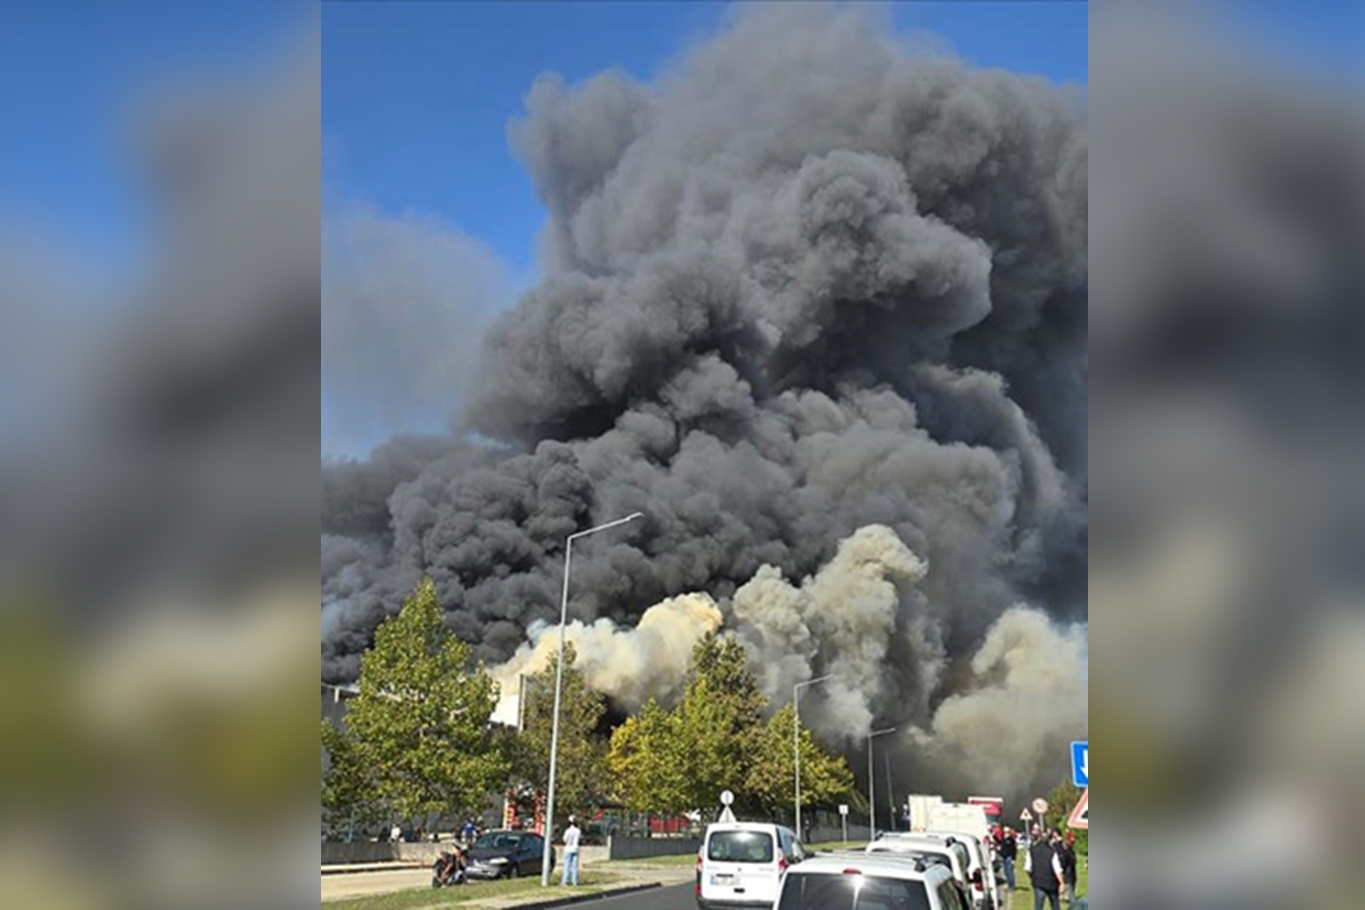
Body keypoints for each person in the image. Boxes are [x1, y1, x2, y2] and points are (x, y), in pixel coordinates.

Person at [1023, 828, 1064, 910]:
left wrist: (1032, 876)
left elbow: (1027, 868)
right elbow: (1057, 869)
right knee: (1055, 904)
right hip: (1051, 882)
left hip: (1038, 882)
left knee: (1038, 905)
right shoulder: (1052, 852)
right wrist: (1062, 883)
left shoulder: (1032, 850)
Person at [561, 815, 582, 886]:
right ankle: (575, 881)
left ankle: (565, 881)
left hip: (568, 849)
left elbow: (565, 840)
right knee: (574, 866)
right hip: (575, 849)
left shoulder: (568, 831)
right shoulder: (578, 831)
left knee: (566, 866)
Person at [1058, 832, 1078, 904]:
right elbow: (1063, 864)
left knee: (1071, 892)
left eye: (1073, 842)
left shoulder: (1071, 850)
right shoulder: (1064, 851)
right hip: (1067, 876)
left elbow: (1074, 861)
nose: (1072, 843)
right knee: (1072, 897)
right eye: (1071, 842)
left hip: (1072, 875)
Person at [998, 827, 1018, 893]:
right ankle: (1008, 885)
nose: (1006, 834)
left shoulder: (1011, 840)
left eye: (1007, 832)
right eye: (1005, 832)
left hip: (1009, 858)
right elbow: (1001, 845)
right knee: (1006, 872)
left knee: (1010, 873)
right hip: (1004, 857)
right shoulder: (1003, 839)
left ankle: (1012, 886)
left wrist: (1013, 859)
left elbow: (1014, 850)